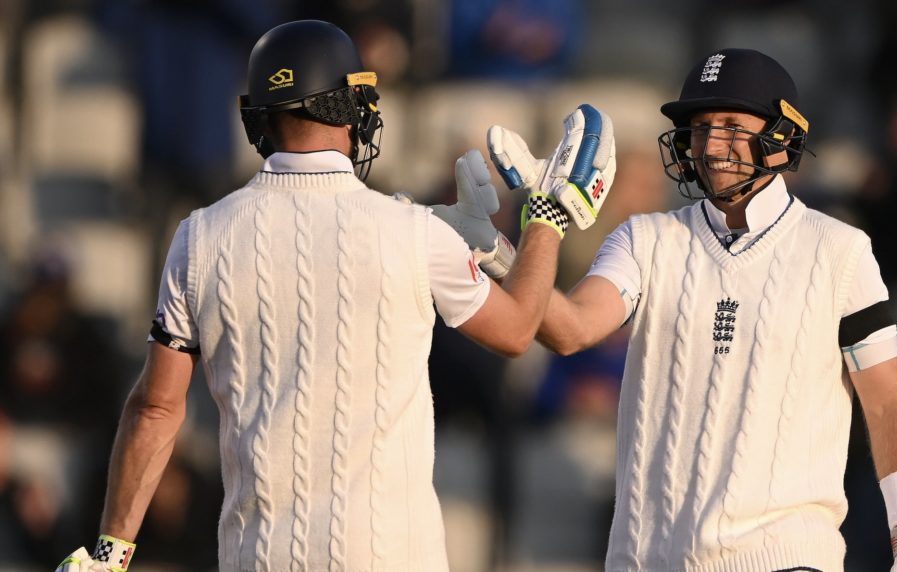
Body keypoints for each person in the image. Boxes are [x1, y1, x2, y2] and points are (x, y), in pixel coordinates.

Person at [54, 19, 614, 572]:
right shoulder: (414, 232)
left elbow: (155, 409)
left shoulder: (197, 237)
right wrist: (545, 219)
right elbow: (518, 331)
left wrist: (111, 556)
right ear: (348, 109)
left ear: (260, 120)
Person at [456, 48, 897, 571]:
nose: (713, 145)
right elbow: (570, 329)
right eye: (700, 127)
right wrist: (510, 248)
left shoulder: (839, 250)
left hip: (787, 558)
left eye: (733, 125)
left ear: (782, 137)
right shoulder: (646, 238)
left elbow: (889, 401)